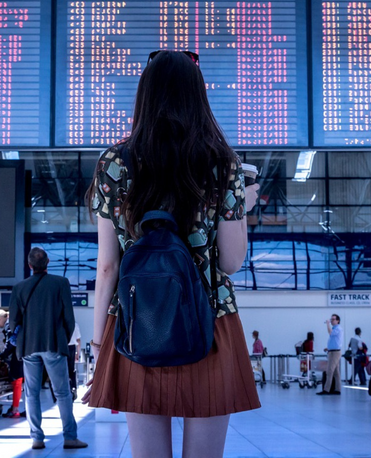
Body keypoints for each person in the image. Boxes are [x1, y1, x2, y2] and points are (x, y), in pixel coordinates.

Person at [82, 50, 261, 458]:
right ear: (198, 96)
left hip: (135, 322)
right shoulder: (223, 164)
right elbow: (231, 262)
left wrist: (97, 341)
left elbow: (108, 265)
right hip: (210, 322)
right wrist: (240, 209)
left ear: (144, 95)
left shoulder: (114, 162)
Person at [9, 247, 87, 450]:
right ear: (48, 262)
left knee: (31, 393)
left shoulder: (19, 287)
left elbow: (13, 322)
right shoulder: (60, 283)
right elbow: (69, 318)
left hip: (28, 347)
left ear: (29, 265)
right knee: (62, 393)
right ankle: (70, 437)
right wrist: (63, 338)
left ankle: (36, 438)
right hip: (54, 343)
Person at [0, 309, 25, 418]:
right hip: (24, 354)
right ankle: (19, 407)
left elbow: (12, 342)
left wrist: (2, 355)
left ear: (1, 318)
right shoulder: (16, 321)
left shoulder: (9, 324)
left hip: (17, 356)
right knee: (20, 382)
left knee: (16, 382)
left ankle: (15, 409)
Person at [317, 314, 343, 396]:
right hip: (332, 351)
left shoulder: (338, 328)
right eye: (331, 319)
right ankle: (337, 389)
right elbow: (335, 341)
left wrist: (327, 324)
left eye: (333, 319)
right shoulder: (335, 328)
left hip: (335, 353)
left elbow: (330, 333)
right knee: (336, 372)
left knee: (329, 371)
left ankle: (326, 389)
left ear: (338, 320)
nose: (332, 321)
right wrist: (328, 348)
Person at [67, 323, 81, 400]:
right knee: (72, 370)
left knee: (63, 370)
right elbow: (78, 340)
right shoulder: (75, 324)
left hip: (62, 348)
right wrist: (77, 354)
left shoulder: (58, 322)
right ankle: (73, 388)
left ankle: (66, 390)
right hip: (71, 348)